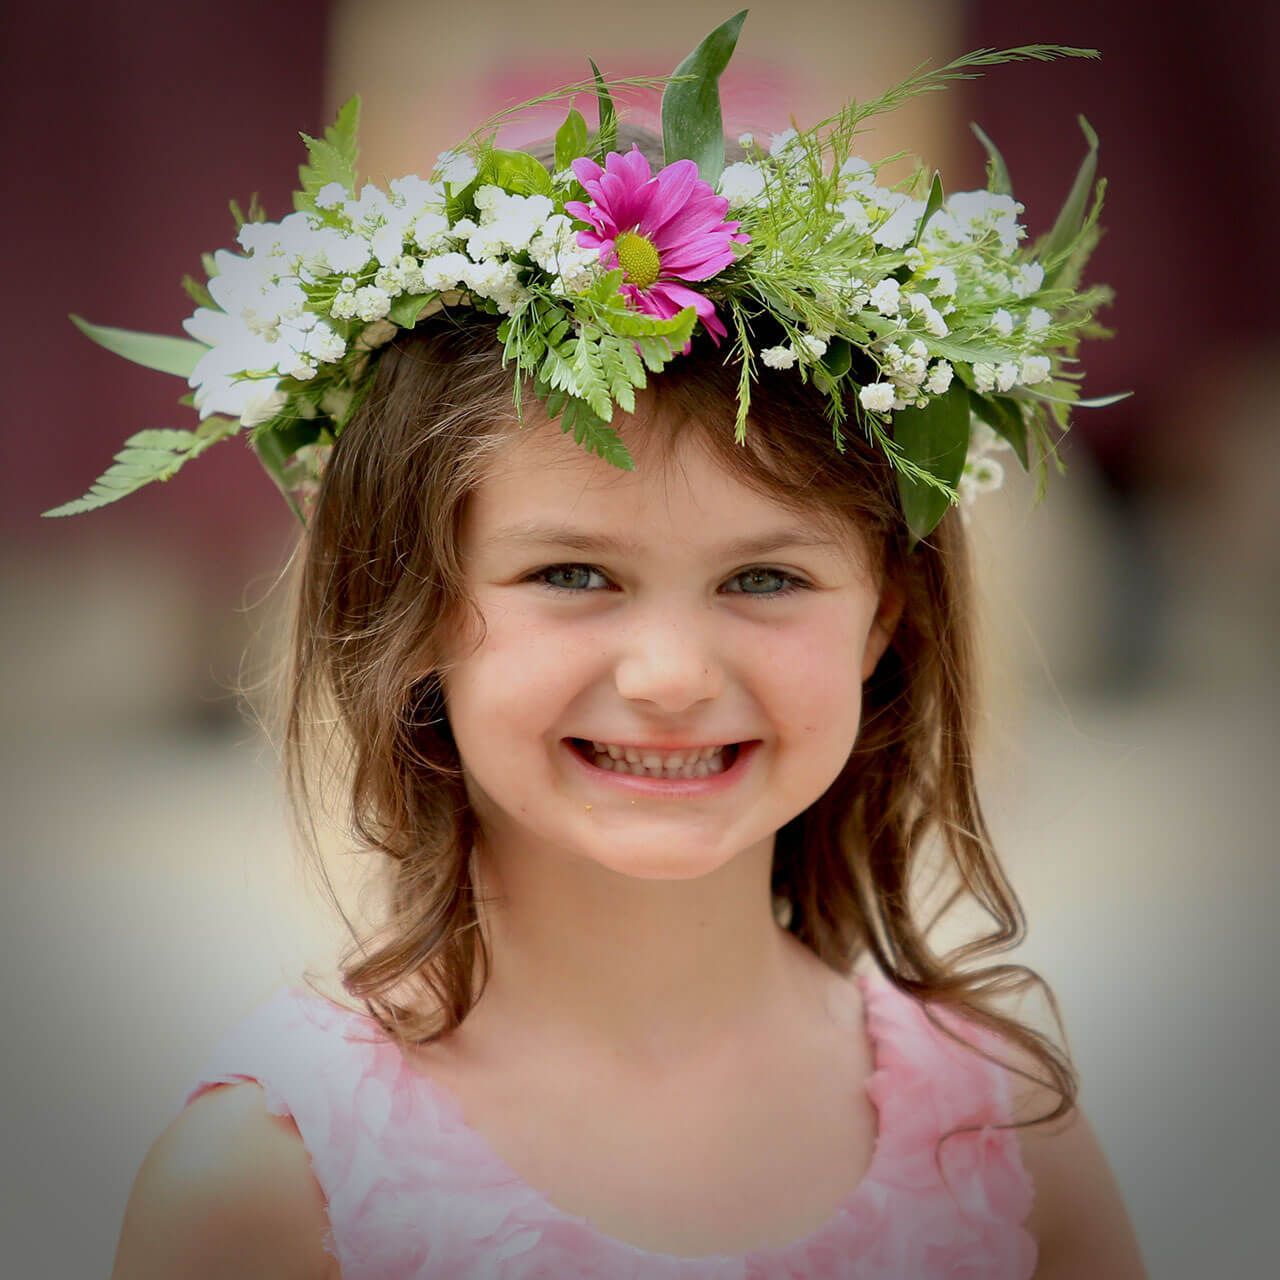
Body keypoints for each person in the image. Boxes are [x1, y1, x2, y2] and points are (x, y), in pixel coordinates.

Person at [59, 14, 1146, 1278]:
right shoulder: (266, 1191)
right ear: (406, 604)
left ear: (886, 614)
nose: (671, 674)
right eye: (571, 573)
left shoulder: (1004, 1137)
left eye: (764, 576)